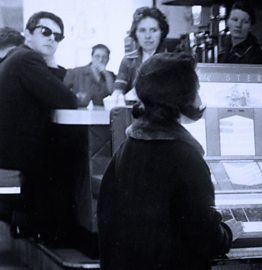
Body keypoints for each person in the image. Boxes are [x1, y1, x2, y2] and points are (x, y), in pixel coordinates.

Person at [97, 52, 243, 270]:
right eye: (196, 88)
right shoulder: (185, 155)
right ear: (182, 95)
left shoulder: (128, 145)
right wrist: (229, 232)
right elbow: (205, 238)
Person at [0, 11, 78, 241]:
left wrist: (50, 61)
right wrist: (50, 62)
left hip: (11, 152)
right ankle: (59, 239)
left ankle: (35, 230)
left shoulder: (19, 58)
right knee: (69, 164)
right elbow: (67, 99)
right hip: (18, 157)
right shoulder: (26, 59)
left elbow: (56, 92)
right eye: (45, 32)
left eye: (57, 36)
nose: (52, 38)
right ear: (28, 34)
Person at [112, 6, 169, 99]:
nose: (147, 36)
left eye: (153, 30)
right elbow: (118, 91)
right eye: (142, 30)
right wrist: (117, 98)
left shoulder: (172, 62)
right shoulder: (128, 60)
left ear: (162, 32)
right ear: (136, 33)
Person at [218, 0, 262, 64]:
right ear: (227, 22)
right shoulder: (222, 45)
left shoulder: (254, 55)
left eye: (245, 22)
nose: (238, 25)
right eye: (235, 20)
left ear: (251, 27)